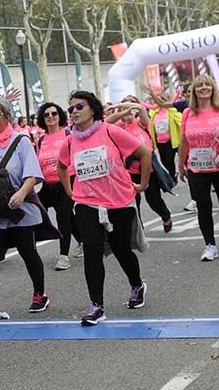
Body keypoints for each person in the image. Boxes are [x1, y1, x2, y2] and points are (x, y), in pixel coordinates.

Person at [57, 91, 152, 326]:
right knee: (92, 248)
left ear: (93, 109)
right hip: (86, 201)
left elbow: (144, 152)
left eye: (79, 106)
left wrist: (143, 183)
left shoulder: (110, 131)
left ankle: (137, 284)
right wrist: (70, 191)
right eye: (70, 109)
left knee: (121, 249)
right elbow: (61, 166)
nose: (74, 112)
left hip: (118, 200)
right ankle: (96, 306)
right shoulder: (70, 140)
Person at [0, 96, 50, 322]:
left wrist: (21, 193)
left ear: (7, 117)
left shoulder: (21, 141)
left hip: (18, 210)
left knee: (28, 252)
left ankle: (39, 293)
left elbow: (33, 174)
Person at [177, 74, 219, 262]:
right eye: (199, 86)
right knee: (203, 205)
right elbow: (184, 141)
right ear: (193, 91)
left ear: (212, 88)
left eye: (207, 85)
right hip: (197, 167)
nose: (203, 88)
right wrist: (180, 165)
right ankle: (210, 245)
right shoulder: (188, 113)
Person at [108, 96, 173, 233]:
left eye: (130, 107)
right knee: (133, 203)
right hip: (129, 171)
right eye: (124, 108)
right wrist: (119, 109)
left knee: (153, 200)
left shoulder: (142, 123)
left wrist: (129, 105)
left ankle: (165, 215)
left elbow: (142, 110)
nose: (128, 110)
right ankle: (139, 231)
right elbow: (107, 122)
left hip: (148, 170)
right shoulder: (119, 127)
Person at [35, 102, 78, 270]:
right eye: (47, 115)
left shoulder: (68, 134)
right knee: (35, 210)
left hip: (66, 182)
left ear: (59, 116)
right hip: (47, 185)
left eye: (54, 113)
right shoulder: (41, 140)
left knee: (63, 217)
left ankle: (63, 256)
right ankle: (83, 241)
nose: (51, 117)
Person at [148, 92, 182, 186]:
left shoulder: (171, 111)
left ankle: (172, 177)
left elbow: (181, 122)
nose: (158, 102)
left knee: (169, 159)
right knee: (164, 161)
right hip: (159, 141)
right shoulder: (154, 113)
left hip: (170, 141)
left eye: (161, 100)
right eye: (156, 100)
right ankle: (172, 174)